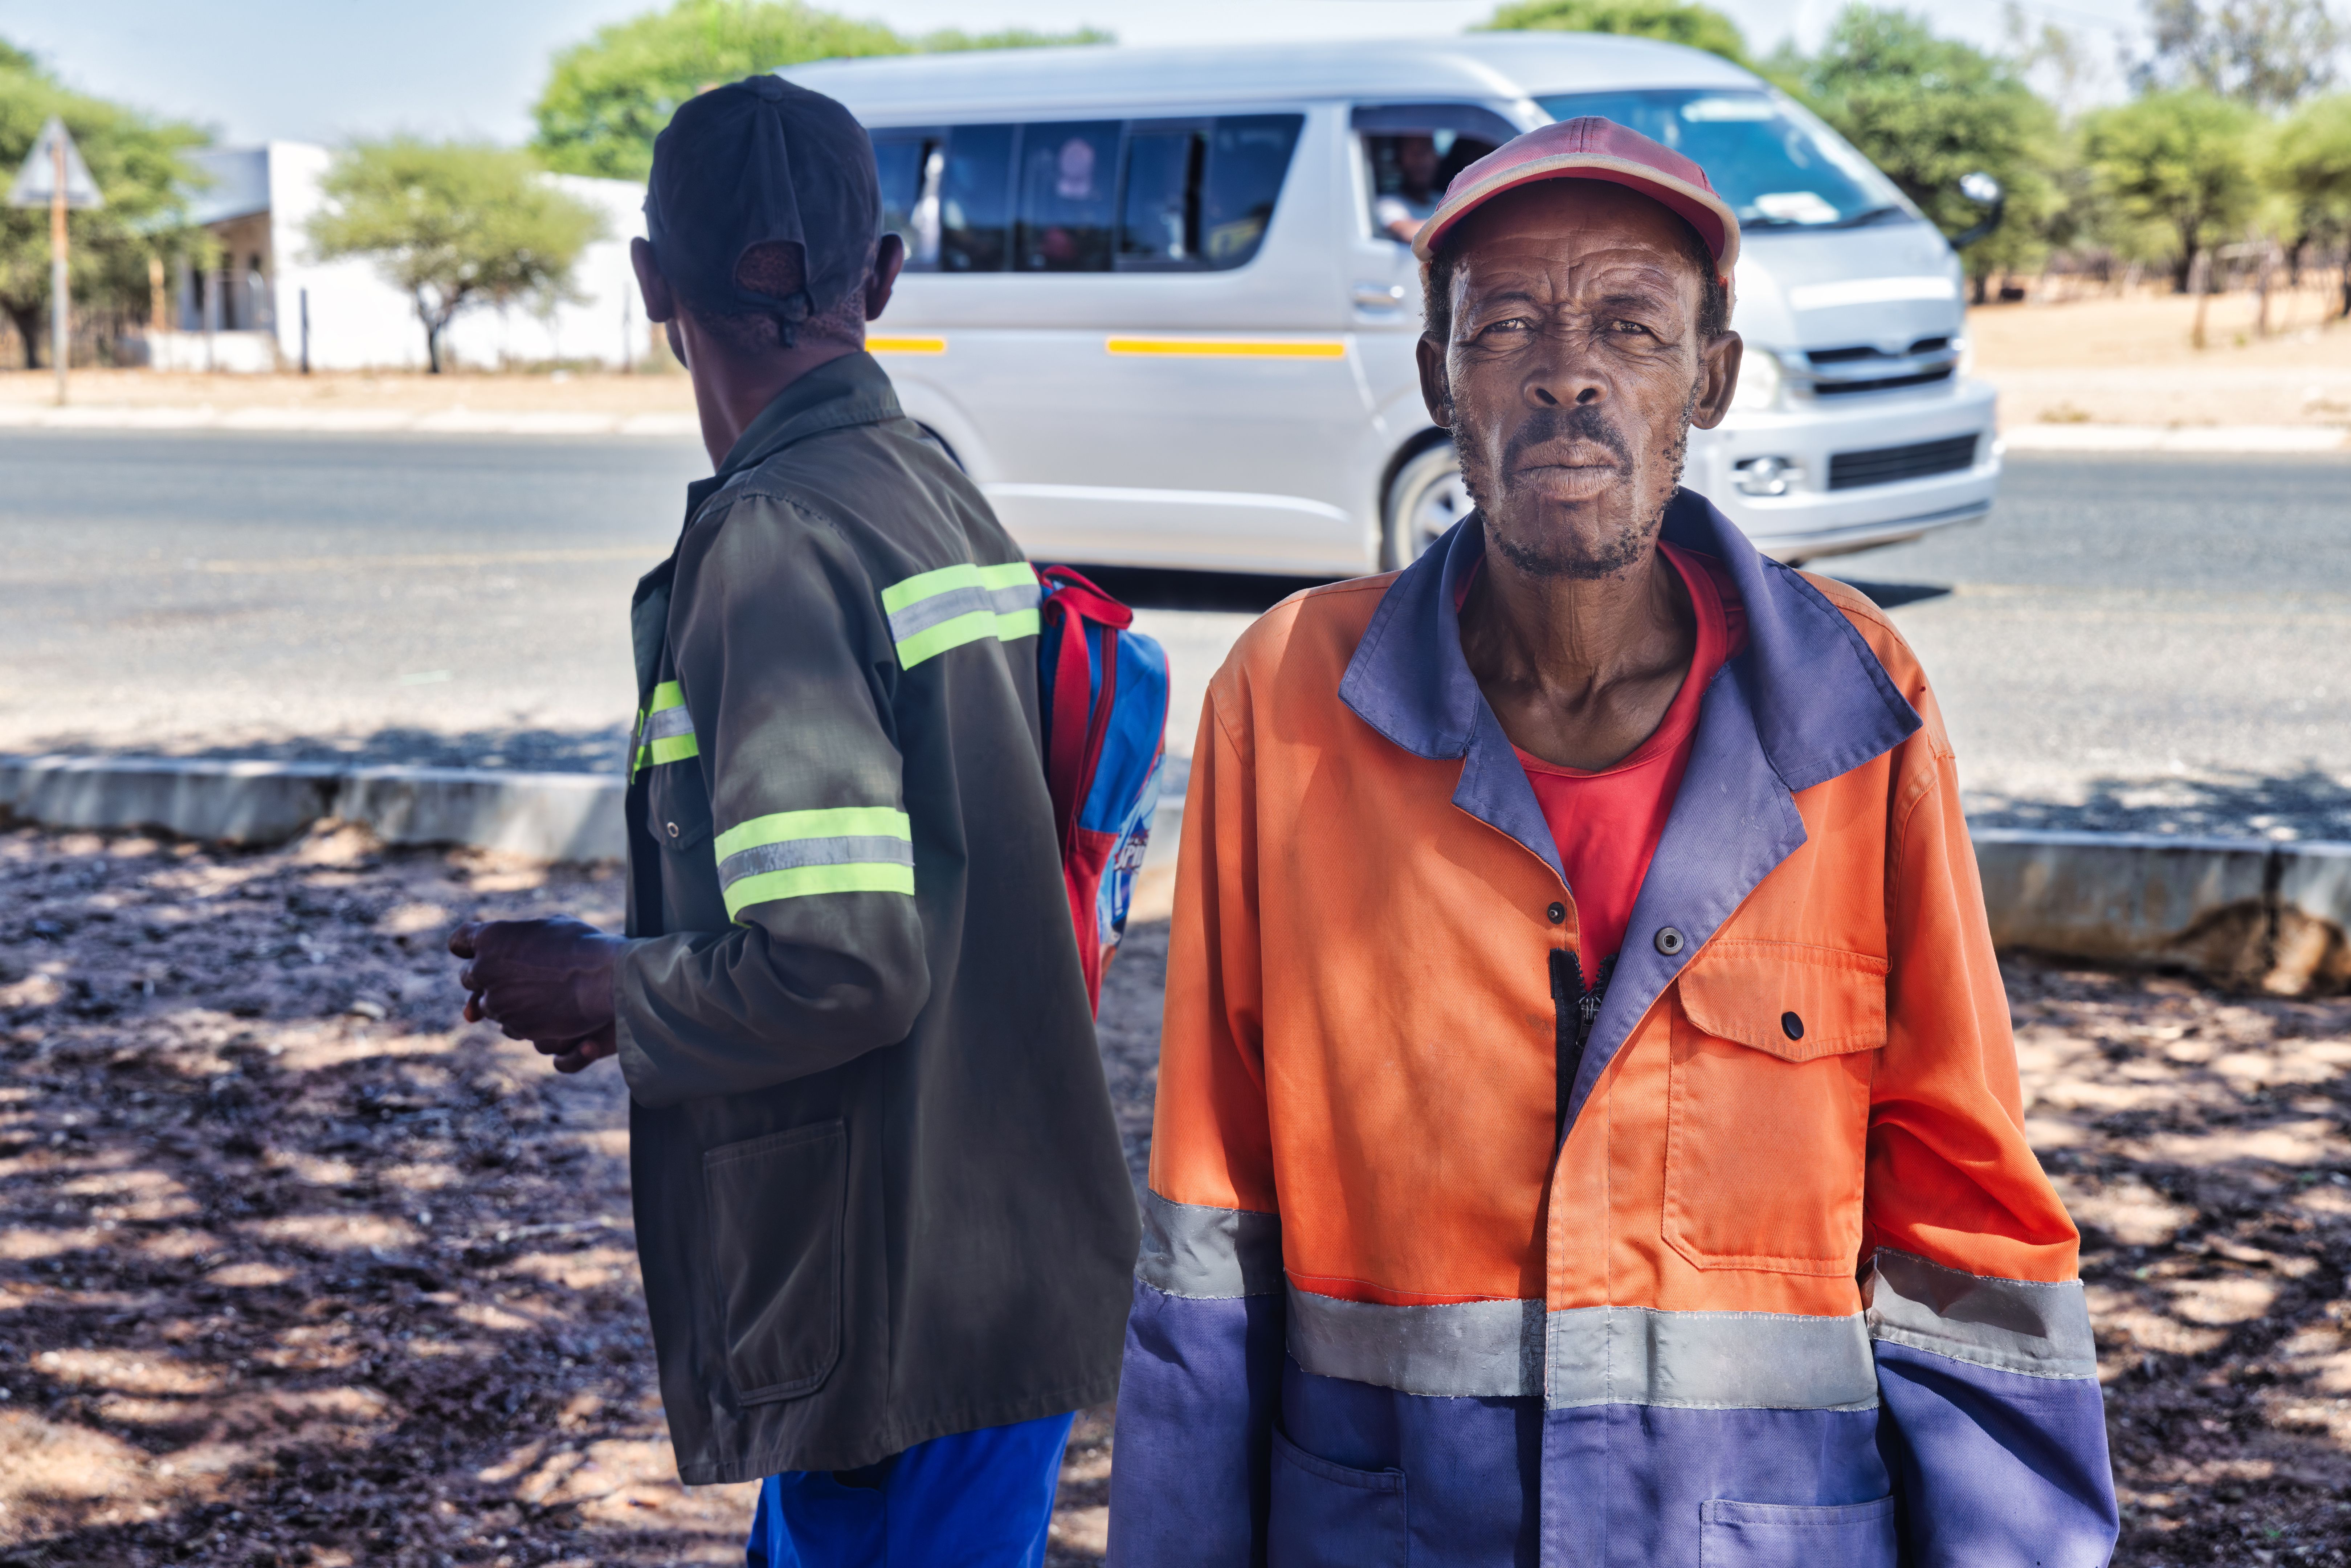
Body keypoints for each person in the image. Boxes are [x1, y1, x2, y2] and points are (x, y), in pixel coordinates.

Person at [1108, 117, 2118, 1567]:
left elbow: (1959, 1213)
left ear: (1705, 377)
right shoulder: (1289, 700)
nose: (1563, 370)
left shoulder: (1852, 703)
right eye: (1503, 324)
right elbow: (1212, 1221)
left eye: (1628, 325)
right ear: (1435, 380)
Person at [446, 76, 1139, 1566]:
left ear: (649, 285)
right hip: (993, 1235)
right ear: (882, 279)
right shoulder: (927, 489)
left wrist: (600, 983)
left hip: (883, 1290)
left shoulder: (772, 539)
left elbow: (839, 963)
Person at [1375, 134, 1444, 241]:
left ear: (1437, 157)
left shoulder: (1446, 199)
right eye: (1413, 152)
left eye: (1425, 149)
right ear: (1399, 160)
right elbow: (1410, 233)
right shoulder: (1389, 203)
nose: (1420, 159)